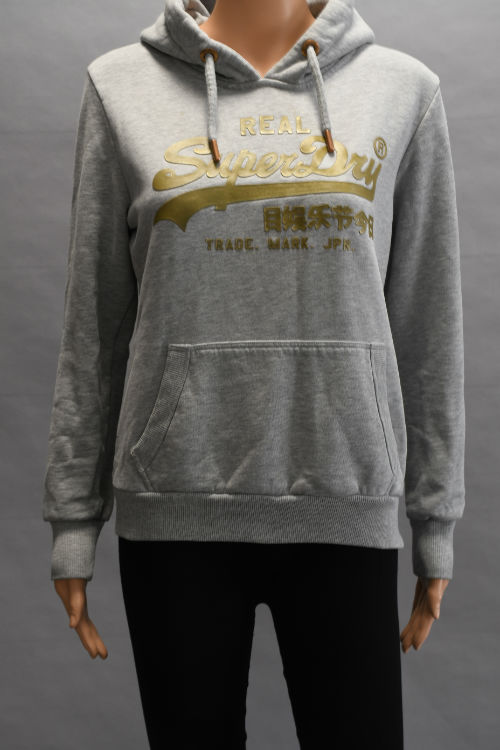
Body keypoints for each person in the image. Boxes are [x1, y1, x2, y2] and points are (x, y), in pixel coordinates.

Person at [42, 0, 465, 747]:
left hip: (343, 497)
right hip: (174, 510)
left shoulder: (404, 90)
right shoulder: (119, 87)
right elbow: (94, 325)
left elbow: (427, 323)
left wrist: (435, 519)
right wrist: (75, 520)